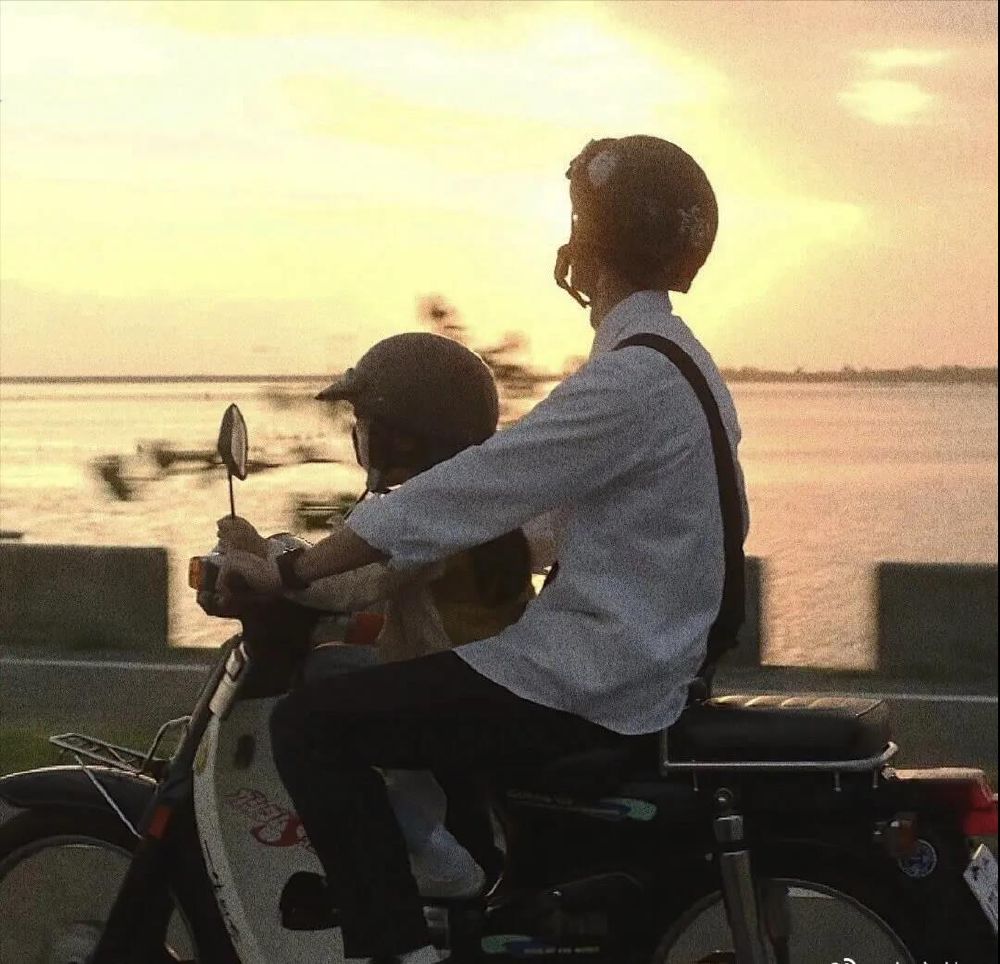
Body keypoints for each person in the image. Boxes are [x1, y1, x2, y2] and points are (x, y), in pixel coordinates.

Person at [219, 134, 749, 964]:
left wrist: (292, 567)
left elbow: (469, 489)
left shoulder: (630, 380)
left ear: (590, 241)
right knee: (368, 689)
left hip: (594, 676)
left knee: (312, 726)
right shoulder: (681, 366)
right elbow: (542, 516)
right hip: (642, 660)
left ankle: (398, 948)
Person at [220, 332, 533, 895]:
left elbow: (350, 583)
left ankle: (443, 865)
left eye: (364, 421)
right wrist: (274, 555)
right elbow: (381, 586)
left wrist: (265, 562)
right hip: (460, 668)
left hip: (450, 683)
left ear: (405, 437)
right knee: (328, 665)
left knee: (313, 724)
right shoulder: (472, 496)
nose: (356, 432)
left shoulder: (430, 512)